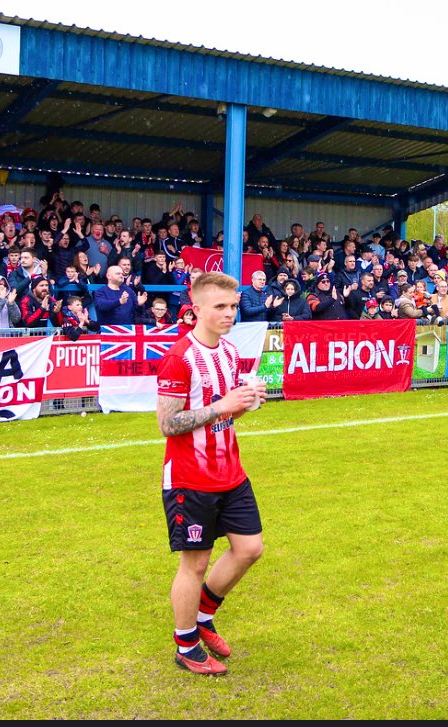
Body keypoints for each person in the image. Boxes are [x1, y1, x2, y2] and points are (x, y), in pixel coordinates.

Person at [155, 271, 266, 676]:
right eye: (220, 307)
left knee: (250, 549)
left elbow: (228, 407)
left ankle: (203, 616)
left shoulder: (231, 352)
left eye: (233, 306)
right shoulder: (178, 356)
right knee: (195, 564)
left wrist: (248, 401)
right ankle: (185, 644)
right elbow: (168, 424)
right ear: (196, 308)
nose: (229, 314)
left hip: (231, 471)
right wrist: (224, 406)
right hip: (190, 477)